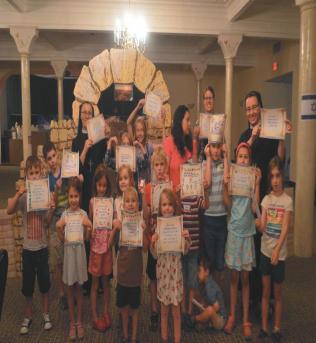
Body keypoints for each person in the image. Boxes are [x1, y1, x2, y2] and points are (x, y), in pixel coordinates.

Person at [237, 90, 292, 314]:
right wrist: (251, 138)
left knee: (265, 249)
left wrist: (281, 135)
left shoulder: (271, 133)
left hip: (268, 200)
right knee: (251, 249)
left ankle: (264, 298)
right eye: (248, 108)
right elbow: (239, 163)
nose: (251, 111)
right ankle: (252, 298)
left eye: (254, 107)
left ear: (261, 107)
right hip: (248, 203)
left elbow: (279, 158)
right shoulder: (243, 136)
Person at [7, 155, 55, 335]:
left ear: (41, 174)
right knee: (27, 287)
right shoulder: (24, 197)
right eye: (31, 173)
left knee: (44, 285)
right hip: (28, 250)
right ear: (27, 176)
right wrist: (19, 192)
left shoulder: (44, 194)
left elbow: (48, 222)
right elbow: (9, 210)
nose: (34, 176)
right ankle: (27, 315)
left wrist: (51, 208)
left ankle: (46, 313)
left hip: (42, 248)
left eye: (37, 173)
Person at [223, 143, 261, 340]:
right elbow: (228, 205)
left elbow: (255, 207)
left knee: (246, 279)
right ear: (236, 159)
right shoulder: (234, 177)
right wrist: (225, 184)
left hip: (247, 234)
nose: (244, 160)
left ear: (250, 159)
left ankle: (245, 319)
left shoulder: (252, 178)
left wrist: (257, 183)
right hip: (234, 232)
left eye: (247, 157)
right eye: (241, 157)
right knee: (234, 279)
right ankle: (232, 316)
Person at [71, 102, 107, 295]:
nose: (86, 115)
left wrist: (105, 137)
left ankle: (100, 279)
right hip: (83, 194)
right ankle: (86, 282)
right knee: (86, 234)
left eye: (89, 113)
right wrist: (84, 149)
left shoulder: (99, 139)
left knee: (99, 234)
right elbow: (74, 169)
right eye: (83, 112)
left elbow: (102, 163)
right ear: (80, 116)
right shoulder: (76, 141)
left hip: (97, 192)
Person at [256, 156, 293, 342]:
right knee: (265, 292)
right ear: (269, 179)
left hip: (280, 254)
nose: (276, 180)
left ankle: (277, 327)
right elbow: (263, 226)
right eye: (272, 176)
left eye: (278, 176)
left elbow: (285, 227)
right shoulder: (266, 200)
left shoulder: (287, 201)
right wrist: (257, 224)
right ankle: (263, 327)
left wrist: (278, 250)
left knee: (277, 294)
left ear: (282, 176)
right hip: (265, 252)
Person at [151, 189, 191, 343]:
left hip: (175, 275)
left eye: (169, 205)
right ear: (160, 208)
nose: (167, 208)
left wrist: (186, 239)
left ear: (174, 206)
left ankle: (177, 339)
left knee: (176, 309)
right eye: (164, 205)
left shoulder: (178, 226)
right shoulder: (158, 227)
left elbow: (185, 251)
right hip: (163, 273)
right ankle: (164, 338)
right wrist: (154, 242)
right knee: (164, 310)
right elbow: (154, 255)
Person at [110, 187, 148, 343]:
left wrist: (144, 232)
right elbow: (109, 244)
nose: (131, 204)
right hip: (123, 274)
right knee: (124, 308)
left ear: (138, 204)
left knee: (135, 308)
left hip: (135, 274)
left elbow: (145, 248)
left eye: (134, 201)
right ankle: (125, 335)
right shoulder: (120, 223)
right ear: (122, 205)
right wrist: (114, 229)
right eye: (128, 201)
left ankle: (133, 337)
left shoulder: (140, 222)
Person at [56, 177, 92, 341]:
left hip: (80, 256)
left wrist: (88, 227)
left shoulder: (83, 214)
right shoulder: (64, 215)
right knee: (70, 289)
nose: (73, 200)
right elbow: (62, 239)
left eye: (76, 196)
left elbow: (85, 238)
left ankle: (79, 322)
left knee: (79, 290)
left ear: (80, 196)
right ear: (67, 197)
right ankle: (72, 322)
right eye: (70, 196)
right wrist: (58, 229)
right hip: (69, 257)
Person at [143, 147, 170, 331]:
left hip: (167, 238)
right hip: (153, 236)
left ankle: (164, 309)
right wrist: (143, 197)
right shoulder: (148, 188)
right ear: (153, 167)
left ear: (166, 166)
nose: (159, 168)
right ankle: (154, 309)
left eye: (162, 164)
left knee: (164, 275)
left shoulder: (170, 186)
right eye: (156, 165)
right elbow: (145, 215)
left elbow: (174, 211)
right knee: (153, 276)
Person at [43, 141, 68, 310]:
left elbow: (75, 191)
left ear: (58, 155)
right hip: (54, 222)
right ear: (46, 161)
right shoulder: (47, 180)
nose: (52, 160)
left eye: (54, 156)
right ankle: (61, 293)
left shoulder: (67, 171)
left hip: (68, 218)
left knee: (69, 258)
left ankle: (70, 290)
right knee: (58, 260)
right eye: (49, 158)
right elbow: (48, 212)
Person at [88, 165, 113, 331]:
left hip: (108, 248)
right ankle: (95, 315)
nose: (102, 188)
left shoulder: (110, 202)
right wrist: (89, 230)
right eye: (99, 185)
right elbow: (90, 221)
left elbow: (112, 222)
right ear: (95, 185)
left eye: (104, 185)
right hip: (96, 248)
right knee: (95, 284)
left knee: (106, 283)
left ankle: (105, 312)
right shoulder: (92, 202)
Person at [202, 142, 229, 291]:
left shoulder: (225, 163)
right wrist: (208, 158)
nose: (216, 150)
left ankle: (218, 296)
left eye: (219, 147)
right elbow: (208, 182)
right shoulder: (205, 164)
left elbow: (227, 180)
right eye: (213, 146)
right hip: (208, 218)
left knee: (219, 262)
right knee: (209, 261)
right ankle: (209, 296)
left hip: (221, 218)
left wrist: (226, 157)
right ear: (208, 148)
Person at [190, 257, 227, 331]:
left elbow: (216, 307)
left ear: (207, 272)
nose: (198, 274)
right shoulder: (205, 284)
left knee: (209, 310)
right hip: (214, 317)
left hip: (220, 320)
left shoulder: (210, 286)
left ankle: (194, 319)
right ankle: (204, 323)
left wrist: (205, 311)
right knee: (205, 308)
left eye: (199, 271)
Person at [163, 105, 193, 192]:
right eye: (187, 120)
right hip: (173, 198)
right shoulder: (169, 142)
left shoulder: (190, 143)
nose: (190, 123)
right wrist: (174, 190)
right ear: (180, 121)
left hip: (190, 196)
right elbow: (165, 174)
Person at [127, 99, 154, 183]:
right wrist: (138, 107)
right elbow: (128, 122)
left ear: (145, 131)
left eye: (142, 130)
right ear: (135, 132)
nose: (140, 133)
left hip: (147, 185)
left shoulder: (149, 146)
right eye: (138, 130)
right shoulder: (133, 144)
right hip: (135, 185)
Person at [193, 86, 216, 161]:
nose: (208, 101)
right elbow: (195, 147)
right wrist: (195, 136)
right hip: (202, 161)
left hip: (215, 162)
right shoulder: (198, 122)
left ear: (214, 100)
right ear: (203, 101)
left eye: (210, 98)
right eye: (206, 98)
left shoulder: (218, 120)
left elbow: (222, 143)